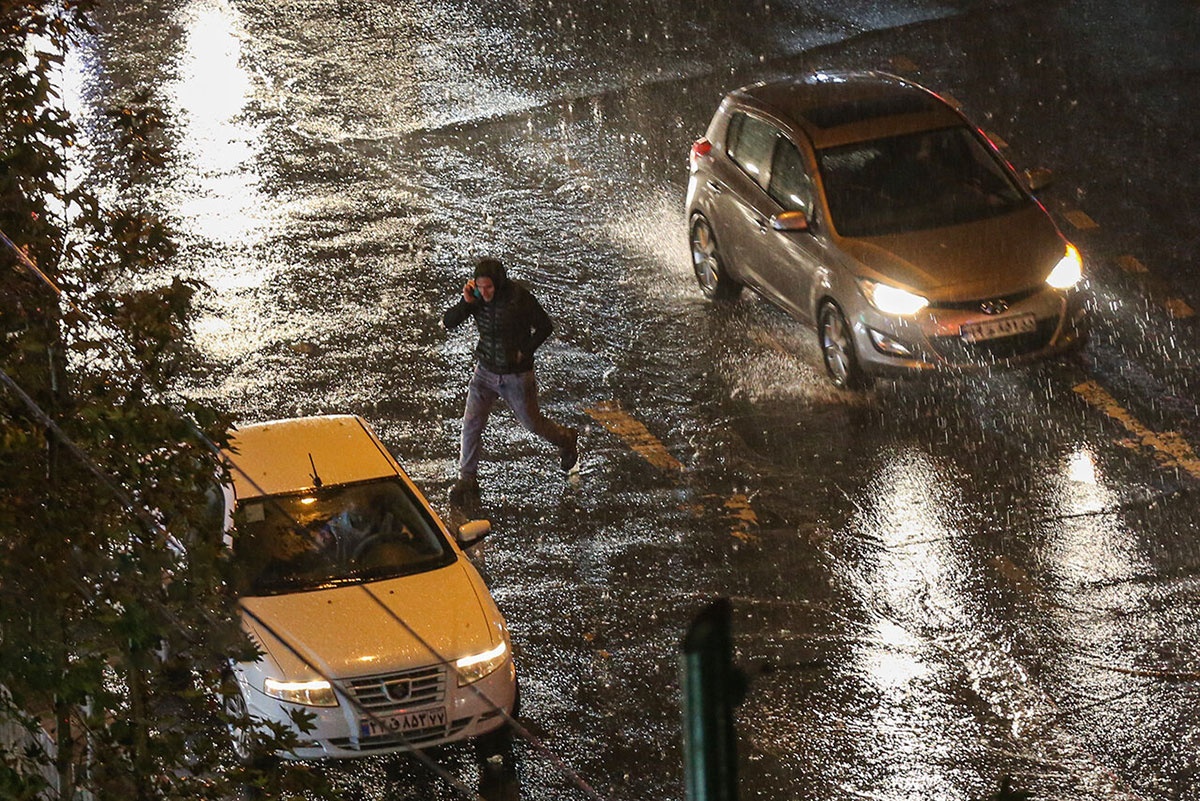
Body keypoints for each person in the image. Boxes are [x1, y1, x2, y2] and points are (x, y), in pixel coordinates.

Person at [443, 257, 578, 503]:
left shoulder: (519, 298)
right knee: (471, 423)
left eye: (489, 287)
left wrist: (524, 351)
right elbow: (449, 322)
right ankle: (467, 477)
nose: (485, 293)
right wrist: (466, 303)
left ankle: (565, 439)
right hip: (484, 371)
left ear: (499, 284)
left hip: (516, 375)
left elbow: (544, 326)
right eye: (480, 287)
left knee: (532, 423)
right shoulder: (475, 298)